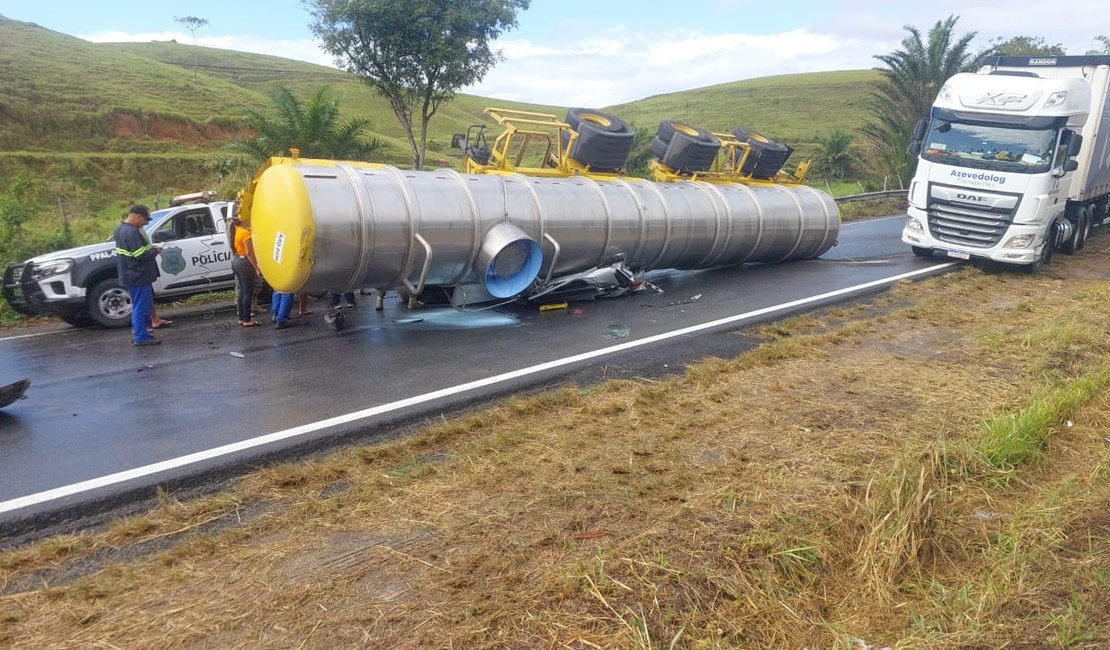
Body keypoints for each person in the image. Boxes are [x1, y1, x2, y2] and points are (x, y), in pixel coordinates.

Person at [113, 204, 162, 346]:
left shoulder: (121, 230)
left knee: (138, 305)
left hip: (131, 274)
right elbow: (139, 254)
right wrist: (155, 251)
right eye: (145, 219)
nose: (145, 223)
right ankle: (141, 336)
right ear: (137, 216)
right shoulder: (131, 232)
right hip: (138, 275)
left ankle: (140, 332)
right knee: (142, 306)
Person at [231, 215, 263, 326]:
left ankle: (241, 317)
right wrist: (256, 267)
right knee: (248, 292)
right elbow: (249, 253)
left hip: (236, 261)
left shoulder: (235, 231)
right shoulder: (245, 234)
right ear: (244, 220)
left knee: (242, 291)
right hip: (245, 263)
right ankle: (247, 319)